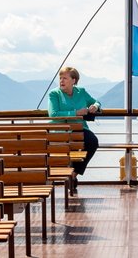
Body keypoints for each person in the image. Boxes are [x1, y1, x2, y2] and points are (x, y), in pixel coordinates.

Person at [47, 66, 101, 196]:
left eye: (65, 78)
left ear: (74, 80)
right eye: (60, 78)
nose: (61, 81)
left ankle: (74, 174)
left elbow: (96, 101)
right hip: (61, 132)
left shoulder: (81, 92)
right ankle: (71, 176)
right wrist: (75, 113)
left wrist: (95, 106)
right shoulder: (54, 94)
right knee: (72, 149)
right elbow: (53, 114)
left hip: (79, 129)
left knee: (92, 142)